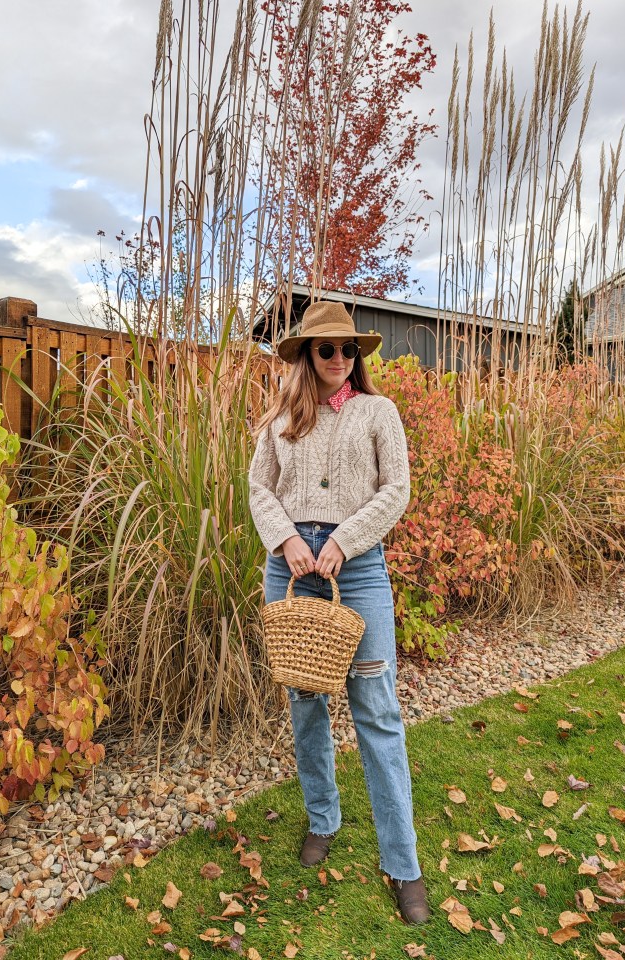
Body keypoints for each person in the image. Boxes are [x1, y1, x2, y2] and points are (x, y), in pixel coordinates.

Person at [248, 300, 429, 925]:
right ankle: (322, 817)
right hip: (292, 571)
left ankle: (402, 861)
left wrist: (343, 541)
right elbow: (258, 490)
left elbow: (396, 489)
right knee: (305, 702)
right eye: (327, 350)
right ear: (304, 355)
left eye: (348, 349)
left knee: (377, 710)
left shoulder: (380, 412)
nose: (339, 359)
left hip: (358, 570)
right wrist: (289, 540)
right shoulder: (277, 420)